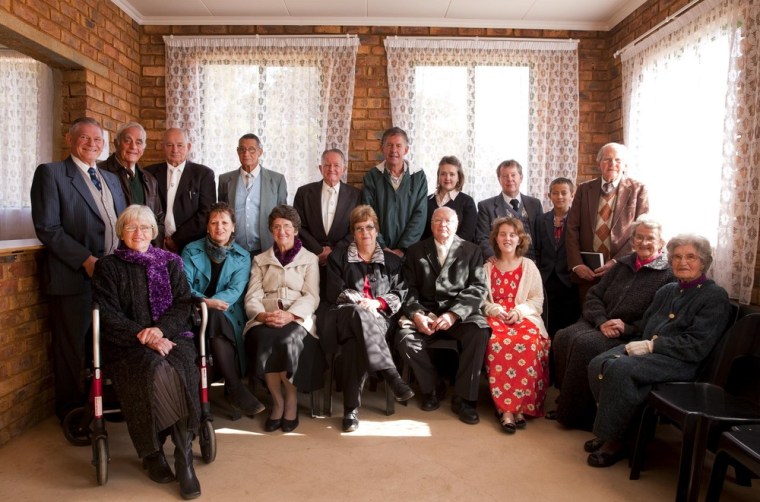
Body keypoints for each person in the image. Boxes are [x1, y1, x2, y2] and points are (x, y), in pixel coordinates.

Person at [584, 234, 731, 468]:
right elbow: (644, 326)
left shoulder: (714, 296)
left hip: (681, 362)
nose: (683, 262)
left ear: (703, 262)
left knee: (619, 368)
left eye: (690, 257)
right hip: (650, 352)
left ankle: (615, 440)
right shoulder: (668, 290)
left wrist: (653, 345)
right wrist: (626, 327)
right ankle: (616, 431)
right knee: (596, 363)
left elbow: (696, 346)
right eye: (677, 257)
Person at [92, 205, 201, 499]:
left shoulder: (170, 262)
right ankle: (153, 452)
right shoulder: (108, 267)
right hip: (128, 344)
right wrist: (146, 337)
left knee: (179, 366)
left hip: (172, 337)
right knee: (157, 368)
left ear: (154, 232)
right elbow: (108, 315)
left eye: (144, 228)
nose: (138, 233)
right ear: (120, 232)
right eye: (131, 227)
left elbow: (183, 304)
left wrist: (161, 331)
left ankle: (183, 456)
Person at [30, 117, 127, 423]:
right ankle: (72, 414)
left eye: (97, 140)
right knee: (72, 347)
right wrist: (86, 260)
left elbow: (121, 224)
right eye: (84, 138)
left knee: (104, 342)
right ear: (69, 139)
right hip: (73, 277)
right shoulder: (52, 174)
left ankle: (100, 403)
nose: (92, 144)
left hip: (111, 277)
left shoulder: (110, 178)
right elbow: (48, 228)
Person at [552, 215, 674, 430]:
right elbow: (594, 296)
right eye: (639, 237)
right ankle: (568, 403)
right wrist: (601, 320)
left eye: (650, 238)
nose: (644, 242)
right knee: (563, 336)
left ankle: (582, 415)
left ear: (661, 242)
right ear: (632, 240)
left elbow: (658, 317)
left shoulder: (668, 275)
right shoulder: (622, 265)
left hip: (631, 333)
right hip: (599, 323)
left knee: (585, 345)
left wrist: (627, 327)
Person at [322, 205, 414, 432]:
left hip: (378, 320)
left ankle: (350, 411)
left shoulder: (392, 262)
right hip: (343, 316)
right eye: (359, 228)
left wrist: (377, 303)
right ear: (353, 232)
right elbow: (334, 292)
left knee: (356, 344)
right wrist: (361, 303)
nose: (365, 233)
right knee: (358, 314)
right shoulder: (338, 257)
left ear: (377, 230)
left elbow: (400, 293)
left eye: (369, 227)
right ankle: (391, 375)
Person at [396, 207, 490, 425]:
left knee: (479, 332)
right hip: (426, 312)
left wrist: (453, 314)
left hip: (458, 314)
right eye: (438, 220)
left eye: (448, 221)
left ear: (456, 225)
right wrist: (418, 314)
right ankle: (432, 387)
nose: (443, 225)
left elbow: (478, 288)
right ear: (431, 224)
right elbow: (406, 289)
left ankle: (465, 398)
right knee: (404, 339)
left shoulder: (472, 250)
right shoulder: (416, 250)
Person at [243, 205, 322, 433]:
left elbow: (311, 295)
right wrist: (262, 315)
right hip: (266, 316)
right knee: (264, 338)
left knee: (287, 340)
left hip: (296, 317)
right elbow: (253, 295)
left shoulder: (309, 259)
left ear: (296, 230)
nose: (282, 231)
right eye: (276, 227)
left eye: (287, 226)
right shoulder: (260, 260)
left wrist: (291, 315)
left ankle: (291, 399)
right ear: (271, 231)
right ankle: (277, 401)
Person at [181, 202, 263, 417]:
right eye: (214, 222)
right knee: (213, 316)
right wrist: (204, 304)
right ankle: (234, 388)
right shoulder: (191, 250)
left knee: (216, 317)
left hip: (227, 312)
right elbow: (184, 286)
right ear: (207, 227)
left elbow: (235, 290)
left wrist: (210, 306)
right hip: (193, 309)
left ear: (233, 227)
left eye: (225, 222)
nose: (220, 227)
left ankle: (231, 389)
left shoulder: (243, 256)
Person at [483, 217, 550, 433]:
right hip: (496, 317)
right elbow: (480, 299)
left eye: (512, 234)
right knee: (497, 342)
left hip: (524, 317)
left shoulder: (529, 266)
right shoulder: (487, 267)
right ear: (496, 238)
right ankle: (507, 410)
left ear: (520, 238)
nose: (507, 238)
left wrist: (519, 311)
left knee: (529, 342)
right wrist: (496, 310)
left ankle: (521, 406)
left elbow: (537, 299)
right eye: (502, 234)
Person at [566, 142, 649, 301]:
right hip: (587, 273)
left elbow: (642, 232)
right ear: (599, 164)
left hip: (622, 269)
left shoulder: (638, 190)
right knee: (587, 316)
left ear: (625, 164)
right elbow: (571, 229)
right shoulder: (584, 189)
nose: (613, 164)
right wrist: (577, 265)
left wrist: (617, 261)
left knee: (613, 318)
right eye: (607, 159)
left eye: (618, 160)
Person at [293, 148, 361, 294]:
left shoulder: (356, 195)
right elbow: (298, 226)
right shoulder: (304, 193)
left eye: (336, 165)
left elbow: (356, 229)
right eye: (327, 165)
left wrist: (334, 251)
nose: (332, 169)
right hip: (310, 258)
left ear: (344, 168)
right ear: (320, 168)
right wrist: (319, 250)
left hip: (342, 261)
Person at [145, 128, 216, 254]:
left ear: (188, 147)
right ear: (162, 147)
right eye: (169, 145)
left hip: (191, 246)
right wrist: (160, 239)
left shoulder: (203, 174)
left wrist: (176, 240)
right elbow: (144, 209)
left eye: (180, 145)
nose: (175, 150)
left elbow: (206, 213)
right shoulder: (149, 173)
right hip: (155, 244)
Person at [362, 127, 427, 257]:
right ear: (382, 148)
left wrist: (403, 248)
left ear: (406, 150)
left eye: (398, 145)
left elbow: (420, 215)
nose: (394, 150)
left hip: (409, 252)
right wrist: (382, 246)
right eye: (389, 145)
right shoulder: (372, 176)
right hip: (378, 251)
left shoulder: (418, 176)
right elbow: (367, 214)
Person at [218, 133, 287, 256]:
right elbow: (221, 215)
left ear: (260, 152)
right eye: (242, 149)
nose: (246, 154)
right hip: (233, 249)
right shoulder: (225, 180)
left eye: (251, 149)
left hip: (267, 249)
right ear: (237, 151)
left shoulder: (277, 180)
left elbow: (283, 216)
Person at [98, 121, 165, 247]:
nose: (133, 147)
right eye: (127, 141)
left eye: (138, 142)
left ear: (143, 148)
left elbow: (158, 219)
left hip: (144, 251)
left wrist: (152, 249)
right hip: (112, 252)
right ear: (116, 143)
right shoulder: (99, 173)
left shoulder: (150, 179)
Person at [535, 177, 580, 338]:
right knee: (548, 321)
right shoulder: (541, 220)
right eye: (555, 193)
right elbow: (538, 249)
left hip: (569, 278)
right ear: (549, 196)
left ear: (572, 195)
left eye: (564, 193)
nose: (559, 197)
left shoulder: (578, 219)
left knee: (567, 322)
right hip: (547, 278)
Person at [475, 160, 543, 261]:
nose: (509, 179)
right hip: (502, 263)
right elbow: (482, 238)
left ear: (521, 177)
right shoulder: (486, 206)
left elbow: (542, 235)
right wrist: (494, 257)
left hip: (533, 263)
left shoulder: (535, 204)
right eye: (505, 176)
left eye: (513, 175)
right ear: (499, 179)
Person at [421, 155, 478, 242]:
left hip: (457, 252)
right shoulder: (426, 201)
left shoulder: (467, 202)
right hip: (429, 252)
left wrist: (446, 249)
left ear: (458, 177)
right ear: (438, 177)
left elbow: (467, 234)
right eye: (443, 174)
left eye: (452, 174)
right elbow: (422, 232)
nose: (447, 178)